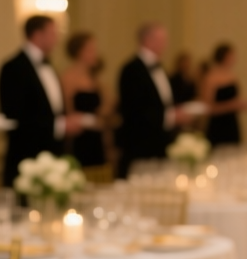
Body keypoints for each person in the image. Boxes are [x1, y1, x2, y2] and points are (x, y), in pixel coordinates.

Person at [0, 16, 83, 187]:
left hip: (55, 157)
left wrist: (67, 120)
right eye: (52, 33)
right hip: (27, 161)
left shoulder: (49, 66)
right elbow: (16, 117)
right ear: (37, 35)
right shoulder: (13, 68)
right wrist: (60, 126)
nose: (57, 39)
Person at [115, 22, 180, 179]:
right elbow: (134, 110)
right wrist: (171, 117)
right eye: (161, 39)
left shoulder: (159, 67)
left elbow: (161, 102)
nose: (166, 44)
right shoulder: (131, 69)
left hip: (161, 142)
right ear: (147, 40)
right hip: (141, 146)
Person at [60, 32, 108, 169]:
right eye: (91, 50)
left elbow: (103, 107)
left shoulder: (95, 79)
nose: (95, 54)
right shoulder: (68, 78)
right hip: (79, 139)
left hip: (96, 137)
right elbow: (66, 111)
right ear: (79, 52)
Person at [199, 42, 247, 147]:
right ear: (224, 57)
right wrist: (232, 106)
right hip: (218, 126)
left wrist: (240, 104)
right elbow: (207, 108)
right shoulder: (211, 77)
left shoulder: (232, 75)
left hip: (232, 123)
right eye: (232, 55)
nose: (234, 58)